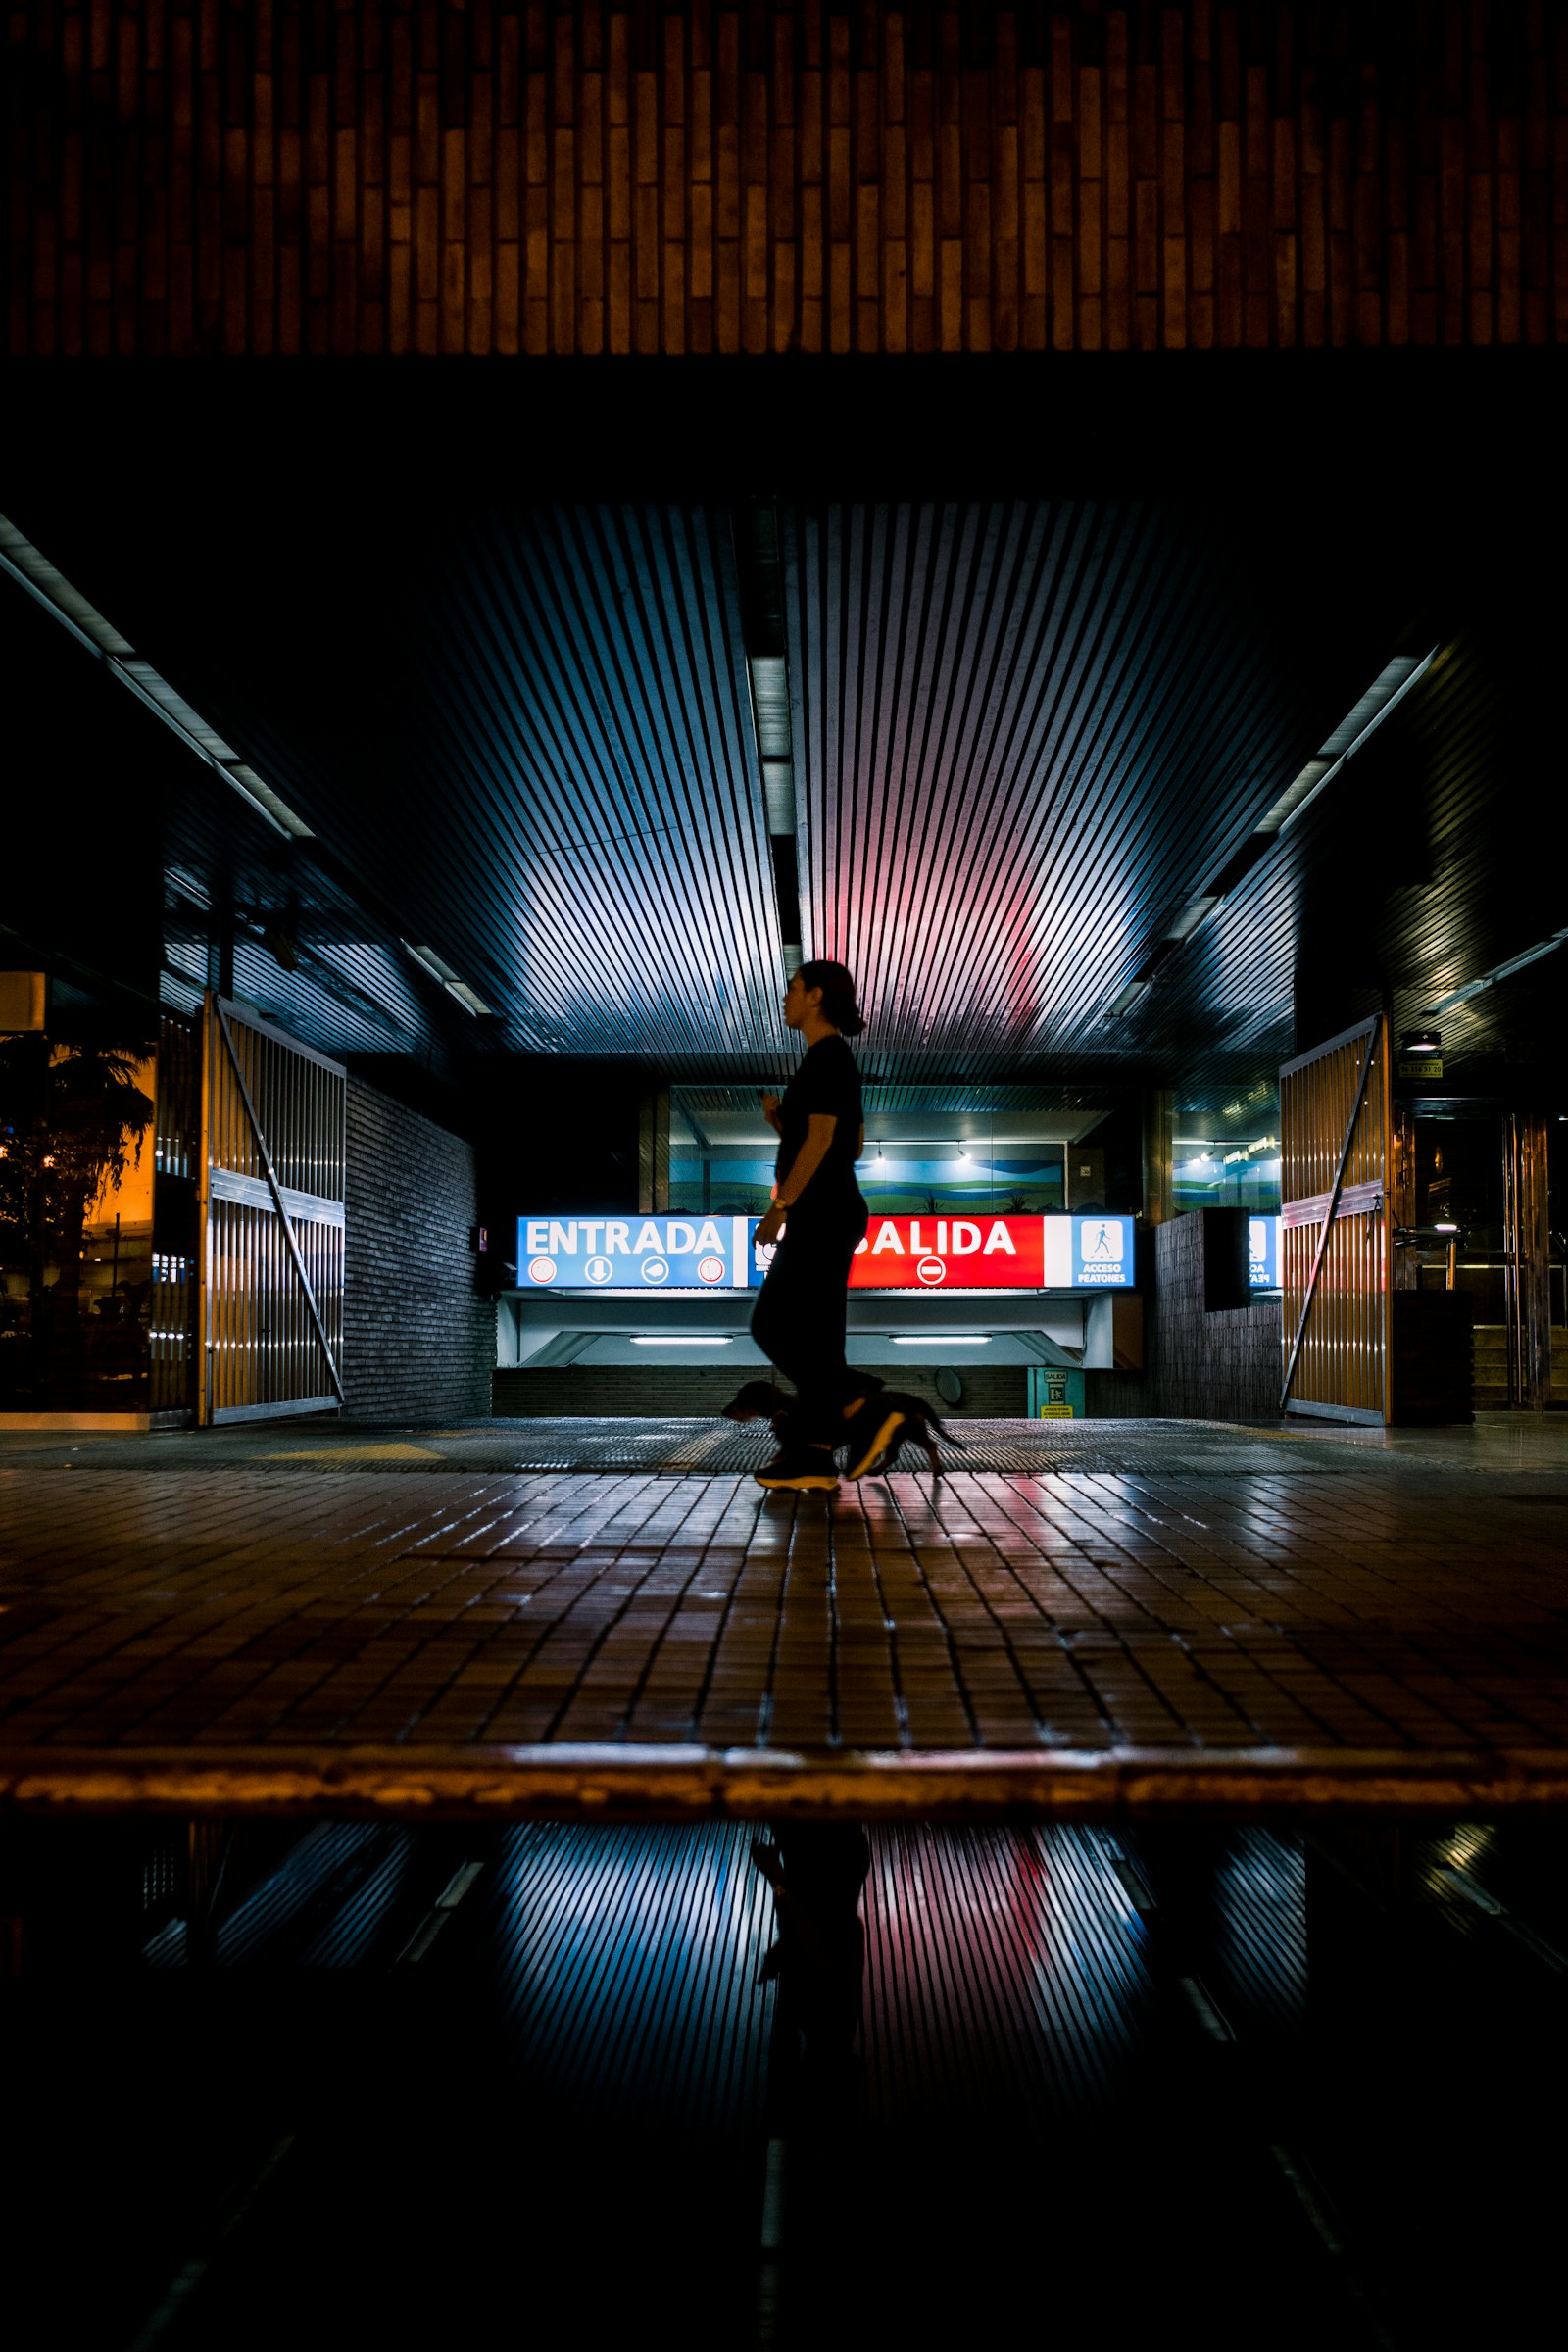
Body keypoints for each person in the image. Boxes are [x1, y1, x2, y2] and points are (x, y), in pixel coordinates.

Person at [750, 959, 906, 1491]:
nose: (786, 999)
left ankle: (862, 1404)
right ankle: (815, 1456)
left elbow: (822, 1142)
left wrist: (780, 1206)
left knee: (770, 1324)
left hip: (821, 1212)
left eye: (793, 989)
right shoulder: (832, 1063)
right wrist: (783, 1123)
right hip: (833, 1210)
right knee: (816, 1339)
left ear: (816, 997)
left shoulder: (827, 1059)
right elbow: (851, 1144)